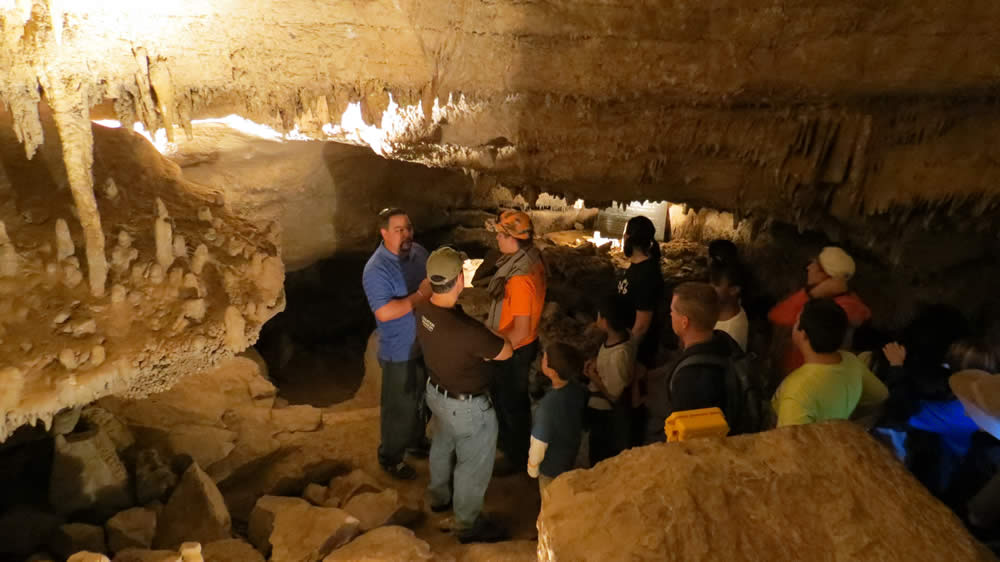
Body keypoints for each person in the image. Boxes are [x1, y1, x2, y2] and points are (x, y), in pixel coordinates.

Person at [414, 246, 513, 543]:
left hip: (436, 393)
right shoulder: (468, 331)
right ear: (460, 280)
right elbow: (505, 352)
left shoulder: (423, 308)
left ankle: (439, 496)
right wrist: (493, 338)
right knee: (473, 465)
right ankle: (467, 524)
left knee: (442, 445)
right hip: (468, 408)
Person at [361, 208, 432, 480]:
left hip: (424, 340)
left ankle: (415, 442)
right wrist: (419, 296)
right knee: (399, 406)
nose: (406, 235)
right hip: (398, 349)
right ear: (384, 233)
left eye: (408, 228)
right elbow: (385, 312)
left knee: (422, 398)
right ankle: (390, 457)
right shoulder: (376, 269)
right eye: (398, 230)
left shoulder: (419, 253)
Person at [485, 210, 547, 474]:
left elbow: (520, 330)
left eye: (501, 234)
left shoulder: (520, 279)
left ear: (513, 238)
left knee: (510, 403)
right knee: (514, 401)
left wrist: (491, 351)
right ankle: (513, 448)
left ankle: (514, 455)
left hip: (515, 349)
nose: (497, 238)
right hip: (521, 345)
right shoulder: (531, 258)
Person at [645, 282, 740, 443]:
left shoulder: (691, 377)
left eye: (672, 311)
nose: (670, 315)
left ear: (684, 322)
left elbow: (688, 438)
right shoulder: (726, 344)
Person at [771, 299, 888, 427]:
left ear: (803, 334)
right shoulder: (851, 361)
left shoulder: (797, 391)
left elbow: (789, 443)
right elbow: (880, 395)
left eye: (797, 321)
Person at [769, 246, 871, 374]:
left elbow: (779, 316)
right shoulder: (822, 297)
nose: (809, 267)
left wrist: (811, 294)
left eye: (815, 264)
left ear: (826, 275)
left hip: (810, 378)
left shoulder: (844, 307)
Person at [528, 343, 588, 492]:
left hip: (551, 467)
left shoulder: (547, 407)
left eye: (545, 358)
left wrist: (533, 468)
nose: (542, 359)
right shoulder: (577, 389)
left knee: (550, 498)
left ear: (552, 372)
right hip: (570, 454)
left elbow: (539, 443)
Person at [584, 294, 636, 465]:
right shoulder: (625, 336)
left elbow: (614, 395)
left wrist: (594, 377)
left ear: (605, 322)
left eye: (599, 315)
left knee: (600, 456)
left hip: (607, 414)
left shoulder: (619, 355)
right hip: (606, 406)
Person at [617, 215, 665, 369]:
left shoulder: (647, 275)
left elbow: (641, 326)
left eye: (625, 232)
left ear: (628, 237)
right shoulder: (639, 267)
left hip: (638, 353)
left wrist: (624, 354)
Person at [709, 252, 749, 352]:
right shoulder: (720, 308)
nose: (709, 287)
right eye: (710, 281)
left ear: (734, 290)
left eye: (716, 283)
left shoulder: (730, 333)